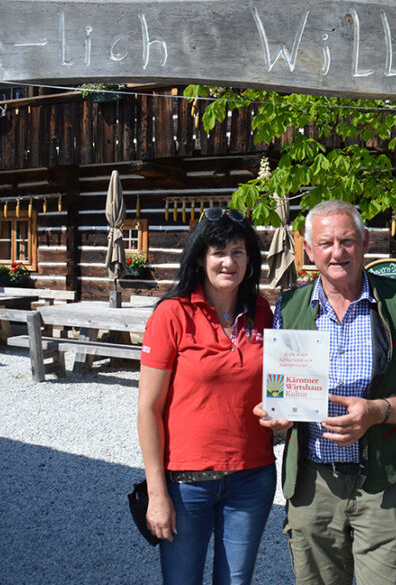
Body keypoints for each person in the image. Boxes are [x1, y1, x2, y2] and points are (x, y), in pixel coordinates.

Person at [255, 200, 396, 585]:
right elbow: (279, 388)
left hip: (380, 481)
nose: (337, 252)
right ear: (308, 250)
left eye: (347, 241)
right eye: (325, 243)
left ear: (364, 243)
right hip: (312, 483)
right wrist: (275, 412)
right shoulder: (290, 306)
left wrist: (378, 411)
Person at [137, 207, 276, 585]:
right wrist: (157, 494)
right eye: (218, 252)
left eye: (238, 251)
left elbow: (275, 387)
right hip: (186, 484)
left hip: (252, 478)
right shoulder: (171, 314)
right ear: (201, 258)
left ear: (250, 260)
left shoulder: (264, 313)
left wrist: (281, 410)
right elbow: (149, 409)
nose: (228, 261)